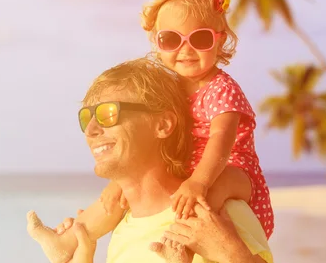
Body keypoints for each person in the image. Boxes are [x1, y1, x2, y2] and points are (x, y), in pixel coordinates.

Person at [27, 58, 273, 262]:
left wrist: (232, 253)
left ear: (163, 125)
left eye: (108, 113)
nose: (90, 129)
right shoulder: (122, 230)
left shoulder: (216, 213)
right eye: (86, 117)